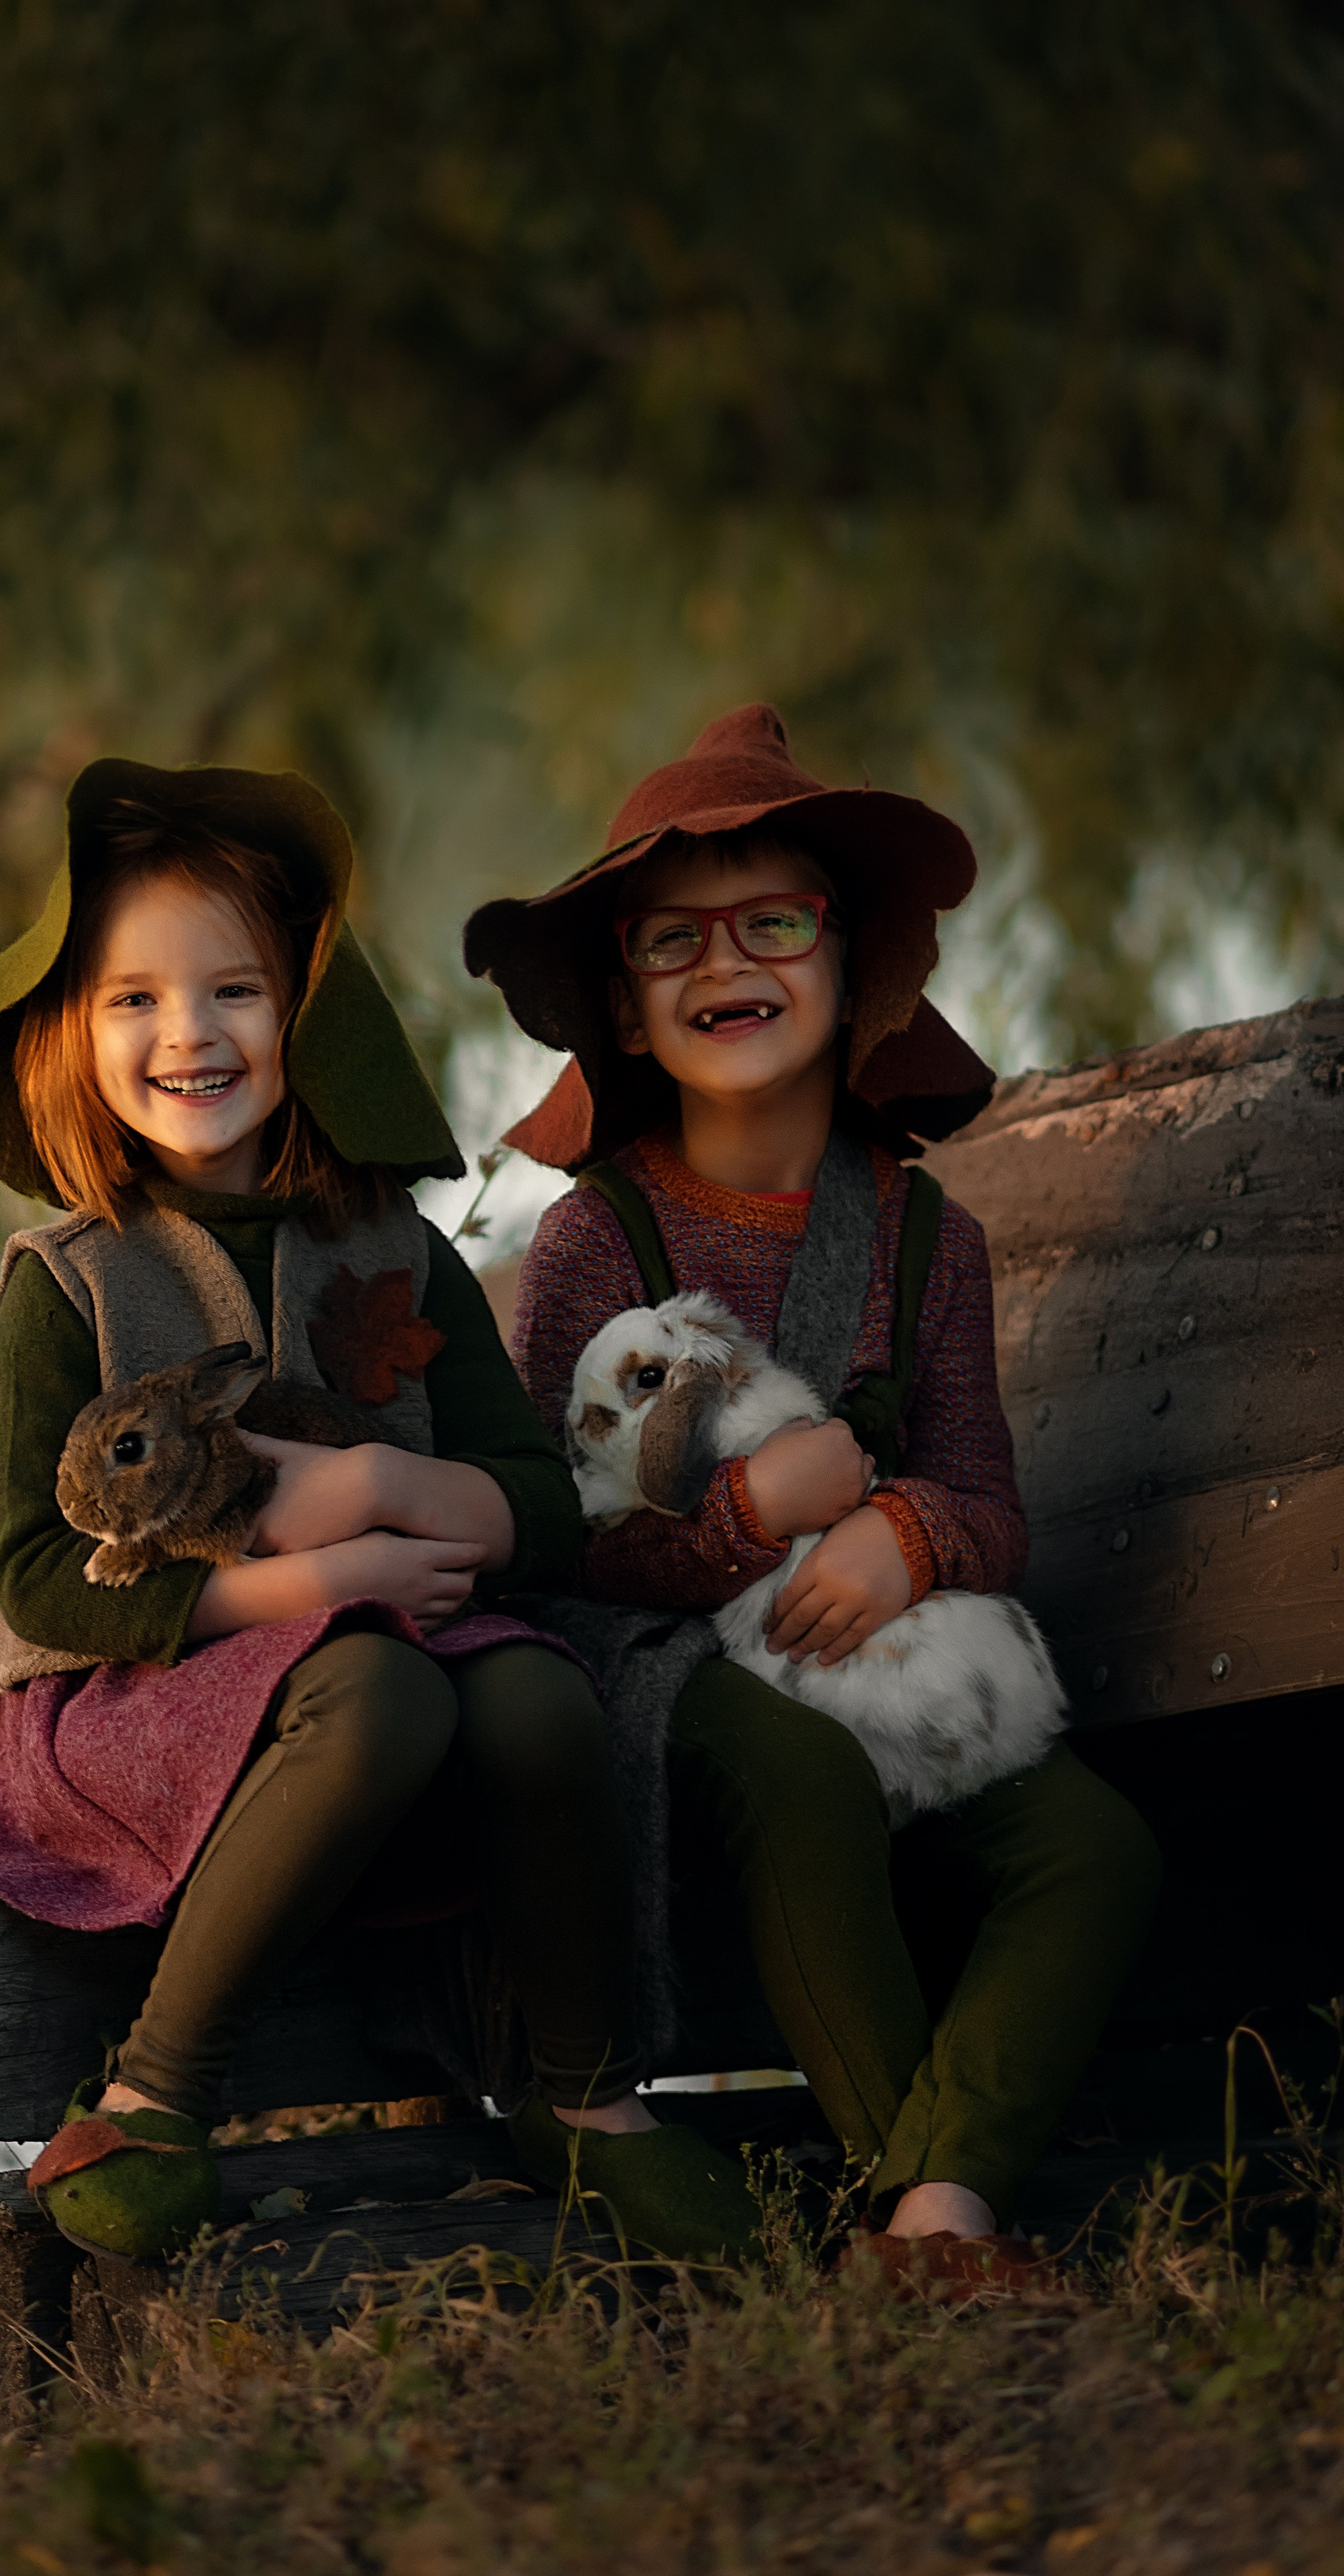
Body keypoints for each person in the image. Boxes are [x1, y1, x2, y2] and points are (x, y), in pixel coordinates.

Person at [0, 756, 760, 2265]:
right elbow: (36, 1577)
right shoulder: (71, 1278)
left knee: (537, 1691)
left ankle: (581, 2099)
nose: (187, 1034)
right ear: (74, 1033)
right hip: (150, 1680)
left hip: (406, 1638)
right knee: (376, 1686)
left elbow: (540, 1507)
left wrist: (381, 1489)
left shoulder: (389, 1242)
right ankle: (155, 2090)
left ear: (303, 1012)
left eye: (233, 991)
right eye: (133, 1000)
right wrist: (295, 1587)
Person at [466, 704, 1162, 2283]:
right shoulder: (596, 1246)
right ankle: (920, 2199)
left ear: (847, 966)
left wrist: (905, 1532)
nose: (729, 965)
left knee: (1091, 1847)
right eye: (672, 941)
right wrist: (740, 1526)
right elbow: (546, 1541)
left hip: (878, 1642)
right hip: (663, 1663)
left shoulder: (927, 1241)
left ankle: (924, 2221)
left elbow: (985, 1496)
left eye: (772, 922)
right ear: (628, 1010)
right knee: (796, 1779)